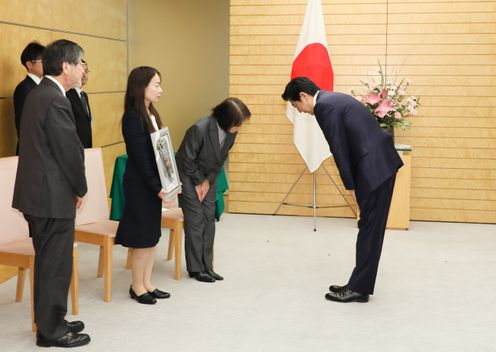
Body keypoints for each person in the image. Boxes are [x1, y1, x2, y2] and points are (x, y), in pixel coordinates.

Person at [282, 77, 403, 303]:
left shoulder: (324, 107)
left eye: (295, 106)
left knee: (369, 229)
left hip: (375, 169)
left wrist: (351, 187)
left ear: (303, 97)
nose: (299, 111)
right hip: (378, 165)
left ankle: (359, 289)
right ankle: (359, 284)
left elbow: (339, 150)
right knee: (369, 227)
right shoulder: (333, 99)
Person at [12, 39, 90, 347]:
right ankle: (51, 331)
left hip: (38, 194)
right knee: (55, 265)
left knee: (48, 262)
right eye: (81, 62)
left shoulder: (39, 93)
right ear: (67, 66)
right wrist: (80, 186)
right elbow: (68, 150)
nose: (84, 68)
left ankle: (50, 319)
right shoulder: (55, 99)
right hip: (52, 196)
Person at [175, 98, 251, 282]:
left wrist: (207, 181)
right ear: (225, 119)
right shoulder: (199, 129)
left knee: (209, 218)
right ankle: (195, 268)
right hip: (188, 174)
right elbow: (186, 160)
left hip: (209, 176)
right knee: (195, 221)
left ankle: (207, 266)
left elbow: (220, 159)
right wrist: (199, 181)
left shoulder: (231, 132)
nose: (239, 127)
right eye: (237, 123)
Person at [114, 66, 173, 304]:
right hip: (141, 186)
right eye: (156, 85)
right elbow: (140, 158)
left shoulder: (152, 113)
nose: (161, 89)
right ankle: (136, 285)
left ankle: (148, 282)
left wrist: (166, 181)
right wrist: (156, 186)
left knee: (152, 235)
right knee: (142, 238)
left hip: (153, 184)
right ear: (141, 87)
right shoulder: (132, 117)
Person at [13, 41, 45, 155]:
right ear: (29, 64)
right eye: (42, 60)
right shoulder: (24, 89)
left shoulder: (44, 87)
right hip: (31, 153)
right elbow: (23, 126)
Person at [67, 60, 92, 147]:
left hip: (86, 146)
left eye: (86, 71)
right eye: (82, 71)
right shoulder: (67, 94)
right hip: (74, 148)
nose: (85, 74)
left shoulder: (84, 95)